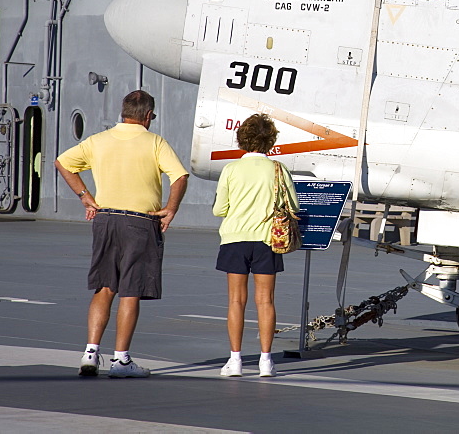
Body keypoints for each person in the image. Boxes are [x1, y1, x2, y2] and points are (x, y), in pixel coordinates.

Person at [55, 90, 189, 378]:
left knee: (104, 288)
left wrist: (84, 196)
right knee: (131, 291)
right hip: (140, 223)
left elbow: (62, 162)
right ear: (149, 115)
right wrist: (170, 208)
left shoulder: (98, 141)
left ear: (123, 111)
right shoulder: (155, 142)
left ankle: (90, 353)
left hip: (105, 219)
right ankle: (121, 361)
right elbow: (180, 176)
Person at [212, 113, 297, 378]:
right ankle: (265, 361)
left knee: (236, 300)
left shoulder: (230, 169)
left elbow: (219, 209)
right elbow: (293, 207)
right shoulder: (278, 170)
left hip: (235, 239)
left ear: (242, 140)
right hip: (267, 241)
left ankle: (235, 360)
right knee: (265, 300)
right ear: (271, 140)